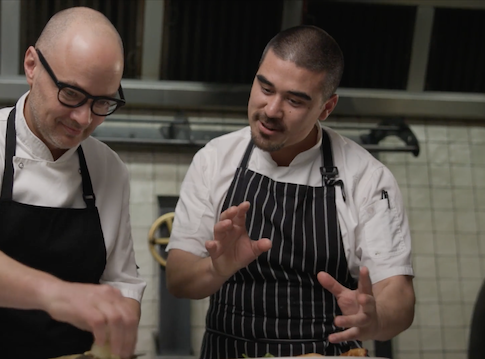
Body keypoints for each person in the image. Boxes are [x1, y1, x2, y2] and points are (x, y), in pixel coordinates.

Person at [165, 25, 415, 358]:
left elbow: (398, 296)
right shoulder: (215, 159)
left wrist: (375, 319)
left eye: (294, 100)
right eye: (265, 88)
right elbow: (179, 280)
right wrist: (217, 269)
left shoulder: (367, 178)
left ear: (326, 108)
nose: (271, 110)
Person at [0, 7, 145, 359]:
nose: (84, 119)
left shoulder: (108, 169)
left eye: (102, 102)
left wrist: (116, 336)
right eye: (71, 94)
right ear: (32, 65)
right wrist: (61, 296)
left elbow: (121, 282)